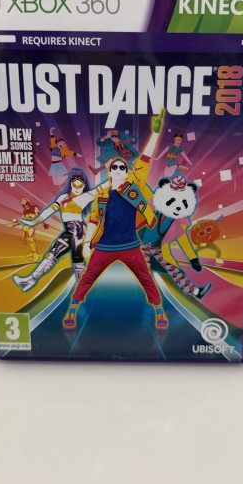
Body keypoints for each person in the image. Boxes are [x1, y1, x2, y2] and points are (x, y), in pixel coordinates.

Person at [63, 111, 168, 330]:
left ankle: (159, 310)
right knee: (87, 277)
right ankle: (72, 309)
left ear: (127, 172)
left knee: (146, 278)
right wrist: (86, 244)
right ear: (109, 172)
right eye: (115, 167)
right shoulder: (102, 196)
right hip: (104, 248)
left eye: (122, 167)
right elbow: (94, 220)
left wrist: (156, 133)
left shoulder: (134, 185)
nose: (119, 169)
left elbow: (145, 159)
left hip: (131, 246)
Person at [13, 168, 102, 291]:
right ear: (70, 184)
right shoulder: (63, 197)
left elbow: (103, 186)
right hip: (70, 231)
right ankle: (31, 279)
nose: (77, 188)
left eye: (81, 185)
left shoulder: (85, 196)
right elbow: (49, 211)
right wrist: (34, 222)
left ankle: (86, 291)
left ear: (84, 185)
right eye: (75, 184)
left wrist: (119, 175)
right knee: (54, 256)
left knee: (76, 261)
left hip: (78, 231)